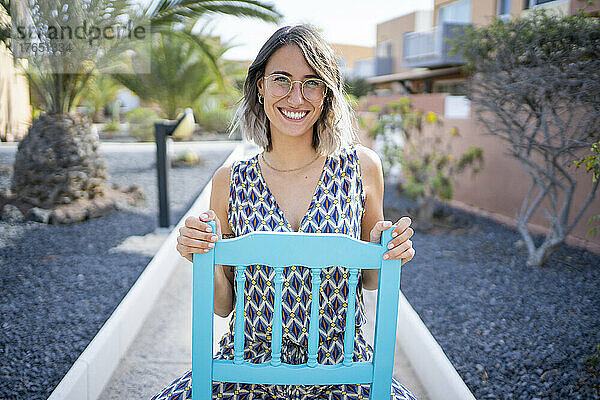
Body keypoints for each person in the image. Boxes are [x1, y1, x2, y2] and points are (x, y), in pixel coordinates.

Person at [152, 25, 417, 400]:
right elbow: (224, 305)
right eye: (281, 80)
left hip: (343, 369)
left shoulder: (361, 167)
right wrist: (200, 256)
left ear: (327, 94)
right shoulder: (230, 181)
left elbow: (370, 280)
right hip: (244, 368)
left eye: (312, 82)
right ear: (259, 87)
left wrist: (387, 248)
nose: (296, 96)